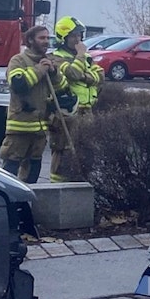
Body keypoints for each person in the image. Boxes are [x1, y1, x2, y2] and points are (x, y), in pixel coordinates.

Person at [1, 24, 66, 183]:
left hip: (40, 128)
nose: (45, 41)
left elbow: (62, 88)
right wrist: (39, 69)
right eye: (41, 38)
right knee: (10, 168)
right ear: (30, 40)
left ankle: (28, 203)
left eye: (47, 38)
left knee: (33, 169)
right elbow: (18, 84)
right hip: (20, 127)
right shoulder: (18, 60)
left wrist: (53, 72)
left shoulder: (48, 62)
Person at [49, 15, 102, 182]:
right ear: (62, 38)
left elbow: (100, 75)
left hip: (87, 110)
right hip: (69, 112)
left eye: (79, 35)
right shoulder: (56, 57)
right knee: (63, 150)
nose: (78, 39)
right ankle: (57, 188)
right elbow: (73, 74)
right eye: (73, 36)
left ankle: (81, 182)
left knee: (87, 149)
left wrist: (85, 75)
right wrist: (80, 57)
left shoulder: (85, 57)